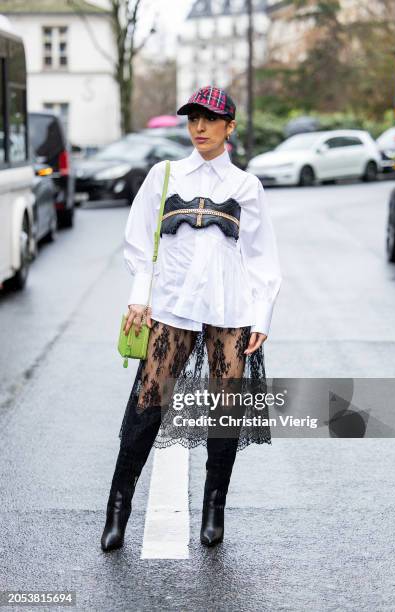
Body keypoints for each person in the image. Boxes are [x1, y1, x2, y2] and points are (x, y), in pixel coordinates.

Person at [101, 86, 282, 551]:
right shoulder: (165, 175)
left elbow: (261, 257)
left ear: (229, 127)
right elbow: (139, 242)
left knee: (226, 407)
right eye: (193, 119)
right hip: (172, 306)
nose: (199, 128)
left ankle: (213, 511)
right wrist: (140, 297)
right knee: (148, 401)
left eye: (209, 119)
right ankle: (117, 511)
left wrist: (262, 312)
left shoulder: (246, 186)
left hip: (230, 308)